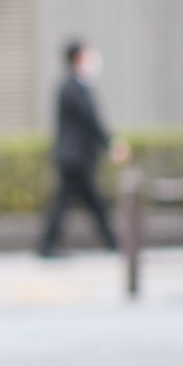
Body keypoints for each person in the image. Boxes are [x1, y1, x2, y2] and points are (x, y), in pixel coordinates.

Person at [38, 40, 127, 257]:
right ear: (78, 58)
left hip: (76, 158)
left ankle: (112, 243)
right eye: (87, 56)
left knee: (87, 202)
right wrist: (111, 143)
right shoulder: (74, 88)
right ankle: (112, 243)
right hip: (75, 159)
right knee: (82, 203)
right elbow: (91, 121)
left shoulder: (75, 87)